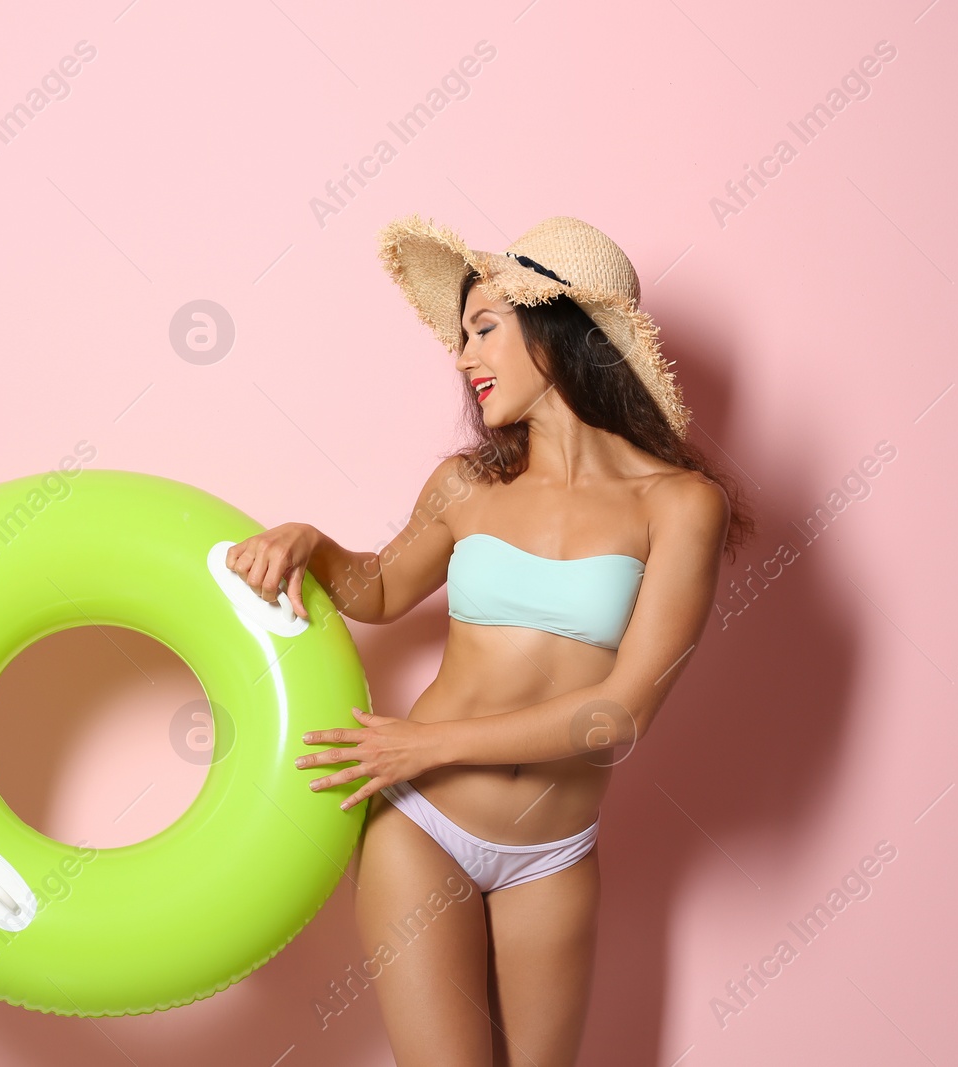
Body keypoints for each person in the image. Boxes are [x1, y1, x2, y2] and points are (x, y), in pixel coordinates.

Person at [225, 213, 754, 1065]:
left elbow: (619, 714)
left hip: (551, 850)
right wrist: (309, 541)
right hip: (421, 821)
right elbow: (383, 590)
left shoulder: (681, 504)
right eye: (461, 337)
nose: (463, 357)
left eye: (482, 329)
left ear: (560, 329)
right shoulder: (468, 485)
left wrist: (425, 741)